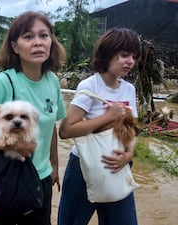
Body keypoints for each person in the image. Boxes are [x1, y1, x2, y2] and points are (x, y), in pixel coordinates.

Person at [0, 11, 66, 225]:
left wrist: (54, 166)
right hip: (5, 178)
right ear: (15, 47)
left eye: (44, 36)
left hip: (41, 178)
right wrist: (14, 145)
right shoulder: (2, 82)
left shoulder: (52, 81)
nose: (38, 42)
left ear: (51, 42)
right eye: (28, 37)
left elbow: (50, 126)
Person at [57, 28, 141, 225]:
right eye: (124, 55)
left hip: (118, 167)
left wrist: (129, 154)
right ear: (108, 54)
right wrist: (108, 117)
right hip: (84, 169)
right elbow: (65, 130)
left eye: (134, 57)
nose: (130, 61)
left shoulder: (129, 89)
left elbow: (132, 128)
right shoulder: (90, 86)